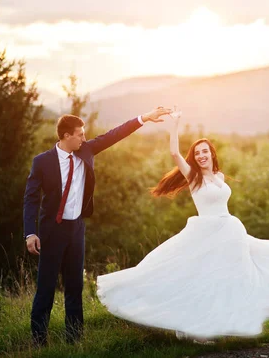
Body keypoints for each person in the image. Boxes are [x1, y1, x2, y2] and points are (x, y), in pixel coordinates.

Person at [96, 107, 269, 342]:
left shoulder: (220, 176)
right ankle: (194, 327)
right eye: (197, 153)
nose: (202, 155)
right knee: (199, 277)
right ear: (193, 158)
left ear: (211, 154)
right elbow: (174, 153)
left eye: (205, 151)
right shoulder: (192, 177)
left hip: (230, 233)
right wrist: (176, 125)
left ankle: (225, 320)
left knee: (236, 276)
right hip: (205, 234)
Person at [23, 107, 171, 346]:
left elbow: (115, 134)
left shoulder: (87, 150)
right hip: (51, 230)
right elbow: (30, 198)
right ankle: (38, 341)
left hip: (76, 229)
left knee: (74, 286)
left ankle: (74, 340)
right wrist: (30, 232)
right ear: (66, 136)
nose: (84, 138)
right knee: (46, 287)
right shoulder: (42, 162)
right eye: (80, 134)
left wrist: (144, 118)